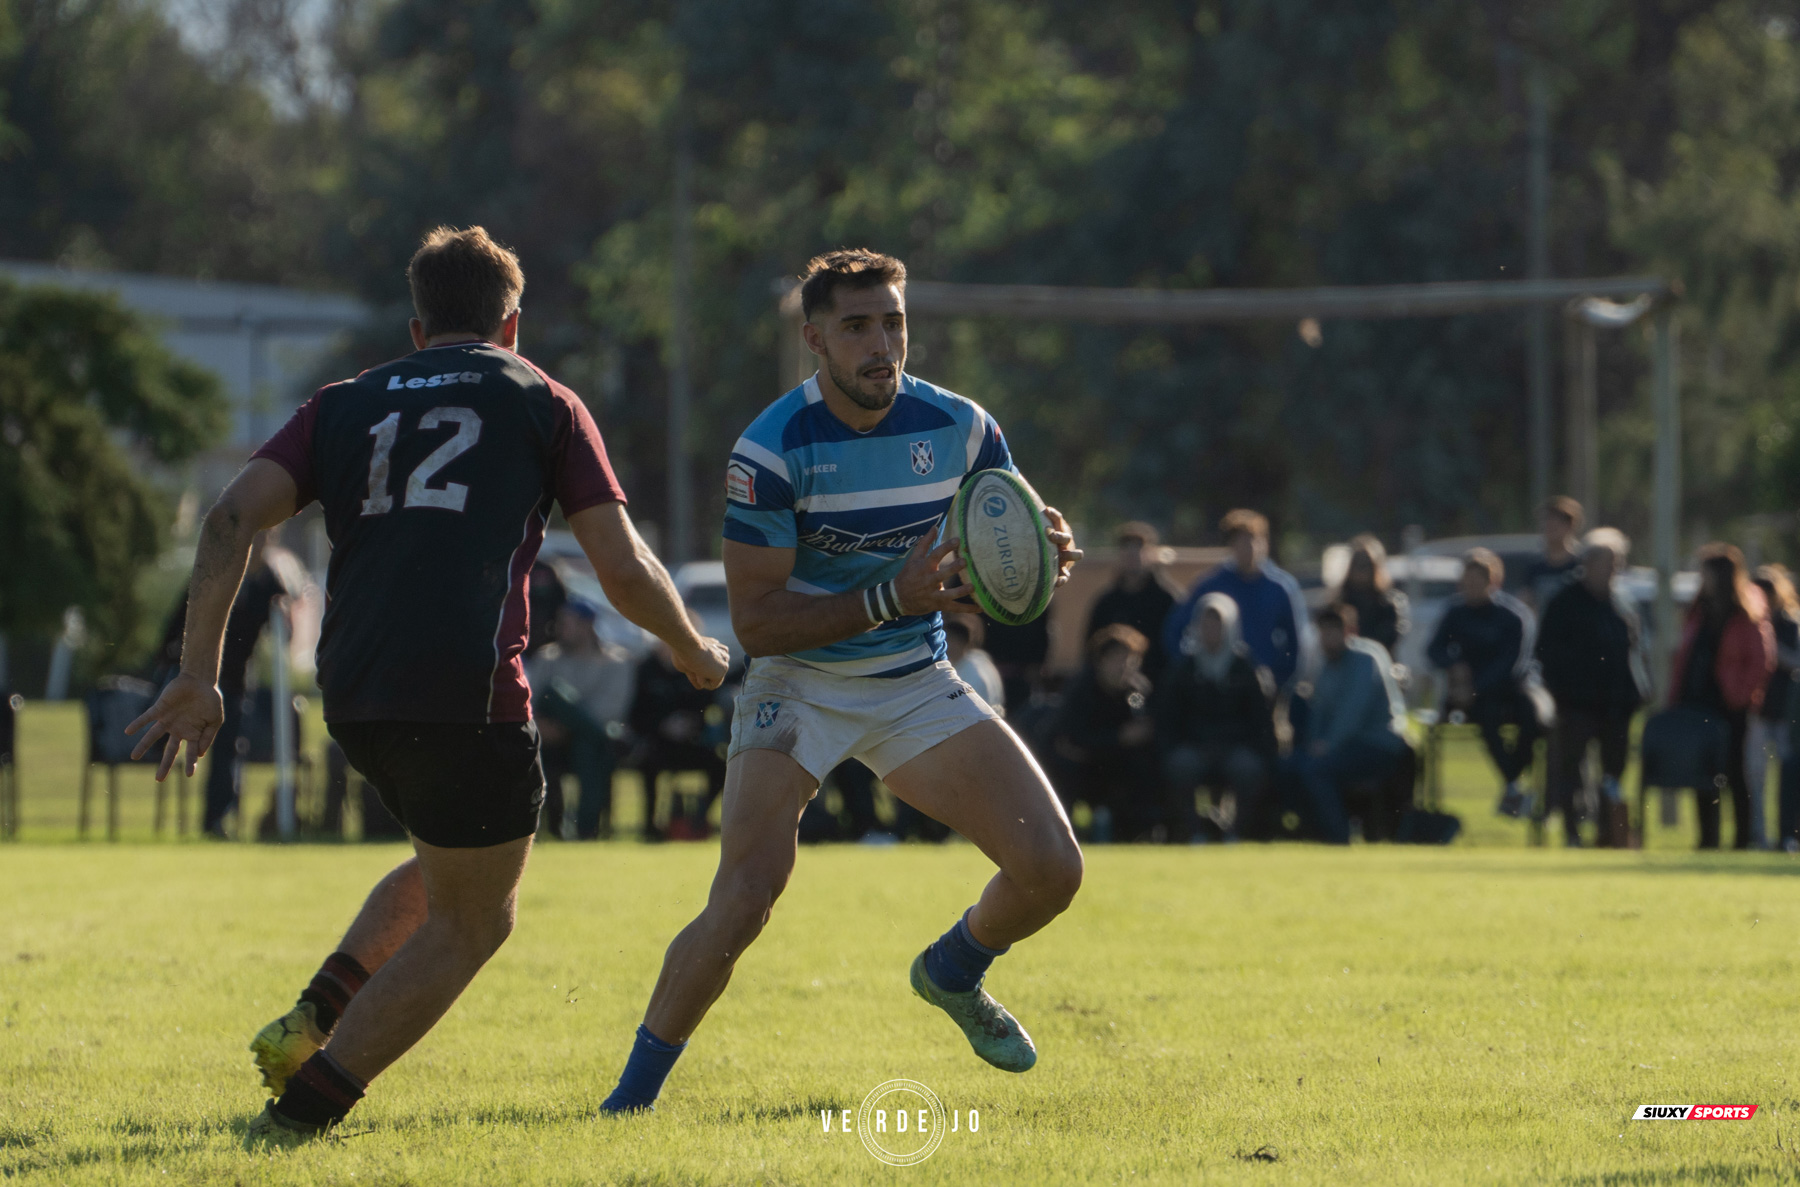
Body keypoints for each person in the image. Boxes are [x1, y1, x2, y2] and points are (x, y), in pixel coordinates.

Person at [125, 226, 730, 1141]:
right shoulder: (542, 397)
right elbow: (621, 561)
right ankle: (307, 1106)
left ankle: (315, 1015)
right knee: (478, 919)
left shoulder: (345, 400)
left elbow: (229, 516)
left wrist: (199, 675)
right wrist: (691, 645)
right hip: (467, 690)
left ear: (417, 329)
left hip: (356, 694)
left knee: (449, 861)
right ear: (511, 324)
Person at [596, 249, 1082, 1114]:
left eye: (892, 321)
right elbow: (757, 623)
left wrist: (1046, 546)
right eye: (857, 326)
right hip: (799, 685)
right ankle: (628, 1102)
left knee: (1052, 869)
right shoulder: (772, 447)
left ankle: (952, 971)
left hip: (912, 680)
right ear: (815, 338)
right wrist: (892, 591)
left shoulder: (964, 427)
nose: (880, 343)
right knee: (744, 898)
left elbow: (1009, 527)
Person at [151, 532, 295, 837]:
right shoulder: (214, 571)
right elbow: (179, 621)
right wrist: (166, 667)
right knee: (185, 747)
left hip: (236, 682)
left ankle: (216, 820)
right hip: (200, 679)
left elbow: (286, 633)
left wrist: (283, 614)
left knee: (228, 751)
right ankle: (194, 821)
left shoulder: (268, 581)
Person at [1533, 529, 1648, 847]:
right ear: (1589, 562)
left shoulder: (1622, 603)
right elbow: (1546, 652)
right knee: (1571, 771)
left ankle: (1609, 833)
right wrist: (1560, 692)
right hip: (1575, 703)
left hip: (1615, 703)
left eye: (1618, 563)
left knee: (1614, 772)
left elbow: (1633, 651)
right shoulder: (1564, 602)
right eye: (1608, 562)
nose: (1613, 569)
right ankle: (1572, 832)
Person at [1668, 544, 1775, 850]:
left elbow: (1759, 659)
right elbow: (1684, 657)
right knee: (1702, 773)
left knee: (1734, 773)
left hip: (1729, 706)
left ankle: (1742, 838)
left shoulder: (1744, 613)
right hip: (1697, 702)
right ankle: (1707, 839)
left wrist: (1740, 697)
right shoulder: (1698, 610)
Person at [1427, 548, 1544, 818]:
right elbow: (1433, 650)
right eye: (1467, 581)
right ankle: (1514, 787)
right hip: (1474, 697)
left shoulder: (1512, 616)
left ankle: (1512, 784)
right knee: (1487, 716)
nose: (1472, 587)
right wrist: (1453, 666)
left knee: (1533, 717)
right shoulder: (1455, 612)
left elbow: (1512, 664)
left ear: (1493, 582)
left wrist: (1476, 687)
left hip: (1509, 688)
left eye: (1478, 581)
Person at [1156, 592, 1277, 841]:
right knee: (1180, 765)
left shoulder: (1245, 669)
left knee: (1248, 768)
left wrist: (1257, 749)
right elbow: (1169, 718)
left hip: (1236, 747)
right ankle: (1194, 832)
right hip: (1195, 746)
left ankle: (1235, 833)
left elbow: (1260, 720)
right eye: (1206, 623)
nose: (1212, 629)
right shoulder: (1184, 670)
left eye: (1218, 623)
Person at [1285, 604, 1411, 844]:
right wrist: (1312, 745)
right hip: (1344, 747)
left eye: (1334, 631)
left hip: (1377, 745)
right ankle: (1311, 831)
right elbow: (1319, 714)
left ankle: (1337, 836)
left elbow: (1352, 714)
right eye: (1323, 631)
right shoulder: (1325, 666)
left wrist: (1325, 747)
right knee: (1289, 767)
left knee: (1316, 770)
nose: (1328, 638)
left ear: (1349, 632)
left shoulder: (1366, 659)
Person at [1162, 509, 1313, 691]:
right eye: (1241, 542)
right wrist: (1191, 669)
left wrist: (1281, 679)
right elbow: (1175, 629)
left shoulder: (1280, 588)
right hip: (1217, 686)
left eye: (1253, 541)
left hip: (1263, 685)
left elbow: (1296, 640)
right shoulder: (1211, 584)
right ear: (1231, 546)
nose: (1248, 548)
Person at [526, 600, 635, 839]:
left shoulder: (615, 661)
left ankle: (583, 829)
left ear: (587, 626)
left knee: (588, 747)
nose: (561, 628)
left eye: (568, 622)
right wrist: (546, 727)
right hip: (557, 738)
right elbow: (532, 704)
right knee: (552, 695)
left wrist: (569, 724)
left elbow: (611, 710)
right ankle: (584, 829)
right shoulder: (548, 658)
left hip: (589, 739)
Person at [1048, 624, 1159, 843]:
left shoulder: (1137, 694)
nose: (1124, 667)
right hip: (1077, 770)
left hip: (1115, 768)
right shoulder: (1081, 690)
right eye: (1118, 659)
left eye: (1131, 660)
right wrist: (1118, 737)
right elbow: (1072, 739)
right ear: (1101, 661)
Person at [626, 632, 733, 841]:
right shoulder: (645, 670)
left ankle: (699, 818)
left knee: (720, 766)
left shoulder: (696, 668)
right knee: (648, 763)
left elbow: (706, 706)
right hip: (657, 743)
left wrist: (692, 723)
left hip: (690, 742)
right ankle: (650, 826)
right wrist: (662, 726)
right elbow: (635, 715)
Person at [1747, 566, 1800, 850]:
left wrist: (1775, 653)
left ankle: (1786, 835)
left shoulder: (1789, 625)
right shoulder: (1749, 622)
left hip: (1785, 712)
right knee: (1757, 778)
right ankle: (1760, 834)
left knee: (1788, 777)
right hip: (1758, 711)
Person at [1086, 522, 1178, 678]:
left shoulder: (1167, 601)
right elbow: (1091, 651)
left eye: (1139, 547)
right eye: (1126, 547)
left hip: (1160, 687)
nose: (1132, 553)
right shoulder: (1106, 604)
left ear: (1152, 553)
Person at [1333, 533, 1408, 656]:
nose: (1361, 570)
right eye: (1357, 564)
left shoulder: (1387, 603)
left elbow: (1391, 636)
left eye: (1366, 565)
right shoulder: (1340, 602)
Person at [1520, 496, 1585, 613]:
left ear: (1570, 526)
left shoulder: (1580, 565)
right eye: (1547, 525)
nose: (1549, 529)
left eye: (1555, 526)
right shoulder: (1535, 567)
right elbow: (1526, 602)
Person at [944, 615, 1004, 712]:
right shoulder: (979, 663)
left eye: (947, 639)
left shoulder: (973, 674)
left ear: (957, 642)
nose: (942, 644)